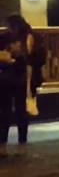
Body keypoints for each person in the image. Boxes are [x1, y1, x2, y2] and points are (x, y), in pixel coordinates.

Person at [0, 24, 30, 155]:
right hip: (11, 79)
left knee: (10, 111)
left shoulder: (25, 38)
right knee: (11, 111)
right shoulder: (7, 38)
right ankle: (17, 144)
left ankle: (7, 145)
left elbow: (31, 57)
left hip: (11, 79)